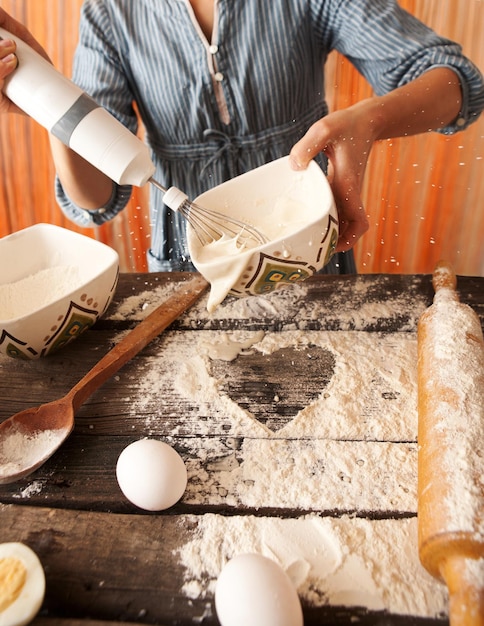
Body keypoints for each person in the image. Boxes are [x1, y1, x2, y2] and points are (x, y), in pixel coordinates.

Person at [1, 1, 483, 274]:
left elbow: (457, 85)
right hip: (188, 267)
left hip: (308, 251)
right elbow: (97, 197)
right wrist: (52, 103)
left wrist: (369, 121)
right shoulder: (111, 14)